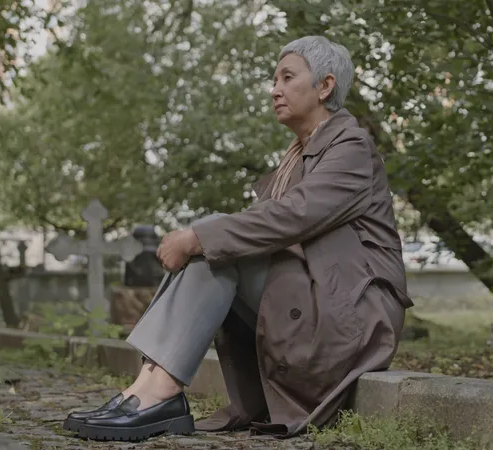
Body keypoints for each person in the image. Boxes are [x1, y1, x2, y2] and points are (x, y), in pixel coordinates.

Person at [63, 35, 413, 443]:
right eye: (274, 79)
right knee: (214, 241)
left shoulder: (351, 148)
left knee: (212, 238)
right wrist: (202, 237)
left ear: (324, 86)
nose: (275, 89)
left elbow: (291, 216)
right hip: (319, 301)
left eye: (287, 77)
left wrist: (197, 236)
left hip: (350, 320)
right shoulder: (299, 155)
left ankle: (158, 392)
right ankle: (146, 387)